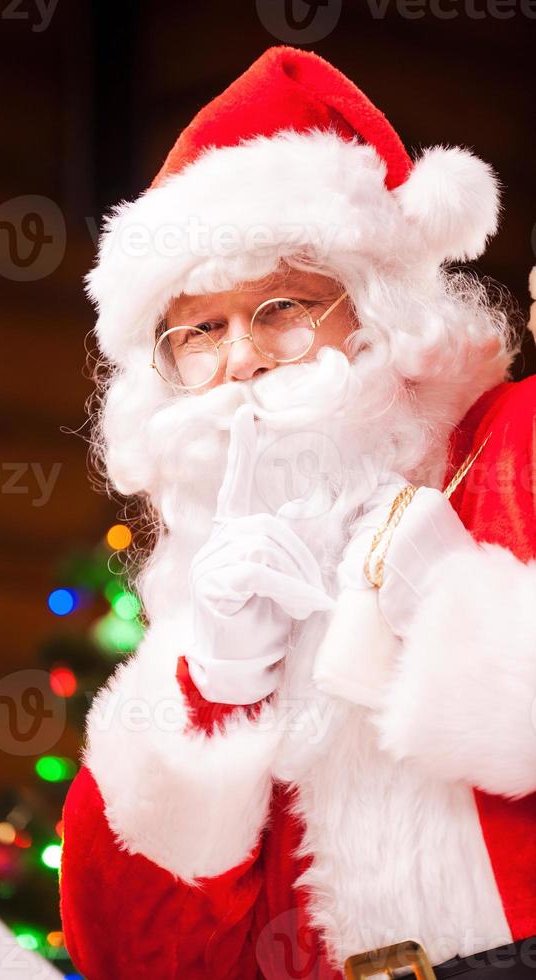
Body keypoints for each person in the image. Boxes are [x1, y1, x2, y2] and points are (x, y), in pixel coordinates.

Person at [59, 45, 536, 980]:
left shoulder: (519, 442)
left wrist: (455, 600)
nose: (242, 361)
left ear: (381, 314)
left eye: (283, 307)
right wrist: (213, 694)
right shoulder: (203, 596)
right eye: (198, 330)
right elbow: (135, 956)